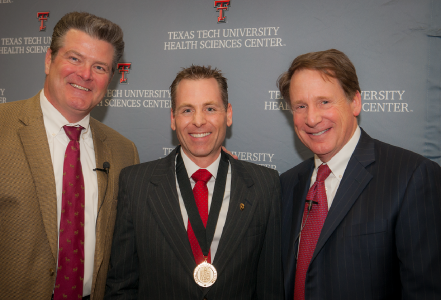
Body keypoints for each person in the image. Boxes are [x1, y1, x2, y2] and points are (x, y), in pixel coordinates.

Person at [0, 12, 139, 300]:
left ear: (111, 78)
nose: (85, 74)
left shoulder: (124, 151)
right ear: (49, 60)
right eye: (74, 58)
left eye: (99, 66)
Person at [105, 65, 283, 300]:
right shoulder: (136, 183)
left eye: (210, 108)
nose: (198, 121)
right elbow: (121, 286)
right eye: (187, 110)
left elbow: (270, 288)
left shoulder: (264, 185)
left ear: (228, 114)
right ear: (173, 118)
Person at [278, 49, 441, 300]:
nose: (311, 118)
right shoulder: (287, 184)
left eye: (324, 101)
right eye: (301, 106)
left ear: (355, 102)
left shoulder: (412, 177)